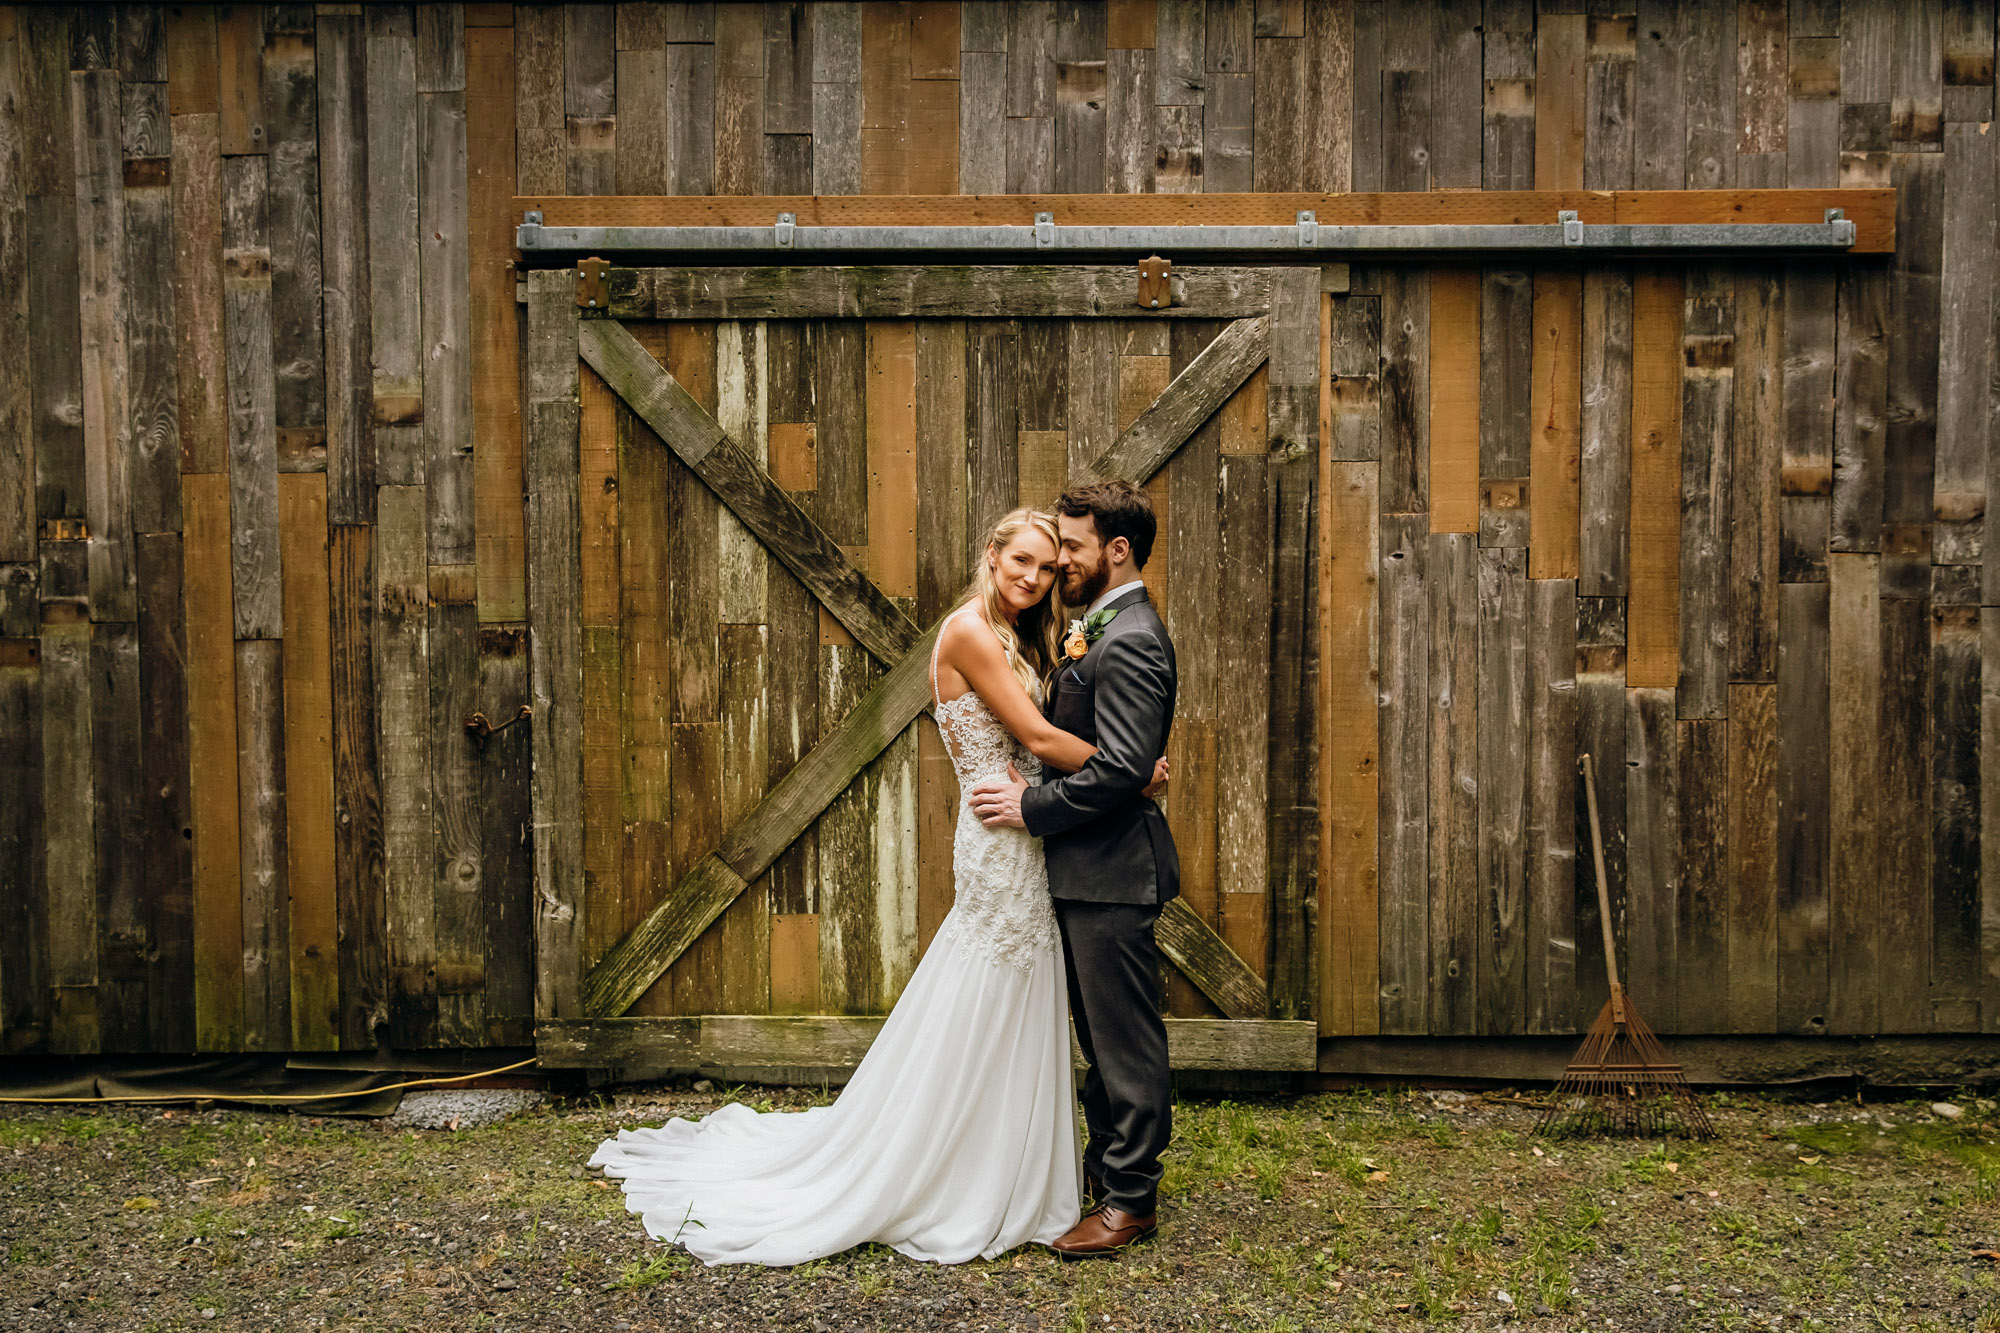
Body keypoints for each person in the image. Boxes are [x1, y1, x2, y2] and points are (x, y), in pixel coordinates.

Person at [586, 507, 1168, 1266]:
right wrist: (1133, 770)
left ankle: (1013, 1158)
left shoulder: (1024, 633)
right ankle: (946, 1165)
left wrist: (1108, 767)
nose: (1034, 577)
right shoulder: (966, 630)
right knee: (989, 991)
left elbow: (1050, 730)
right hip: (1004, 835)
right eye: (1021, 560)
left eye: (1048, 566)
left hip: (1031, 835)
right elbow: (1034, 738)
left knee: (1016, 999)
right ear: (989, 554)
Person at [968, 479, 1180, 1260]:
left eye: (1072, 549)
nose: (1058, 563)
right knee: (1101, 1039)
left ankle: (1131, 1198)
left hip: (1114, 872)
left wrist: (1033, 808)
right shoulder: (1099, 629)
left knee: (1126, 1044)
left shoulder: (1132, 639)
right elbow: (1120, 756)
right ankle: (1106, 1169)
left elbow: (1121, 766)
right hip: (1087, 870)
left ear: (1115, 549)